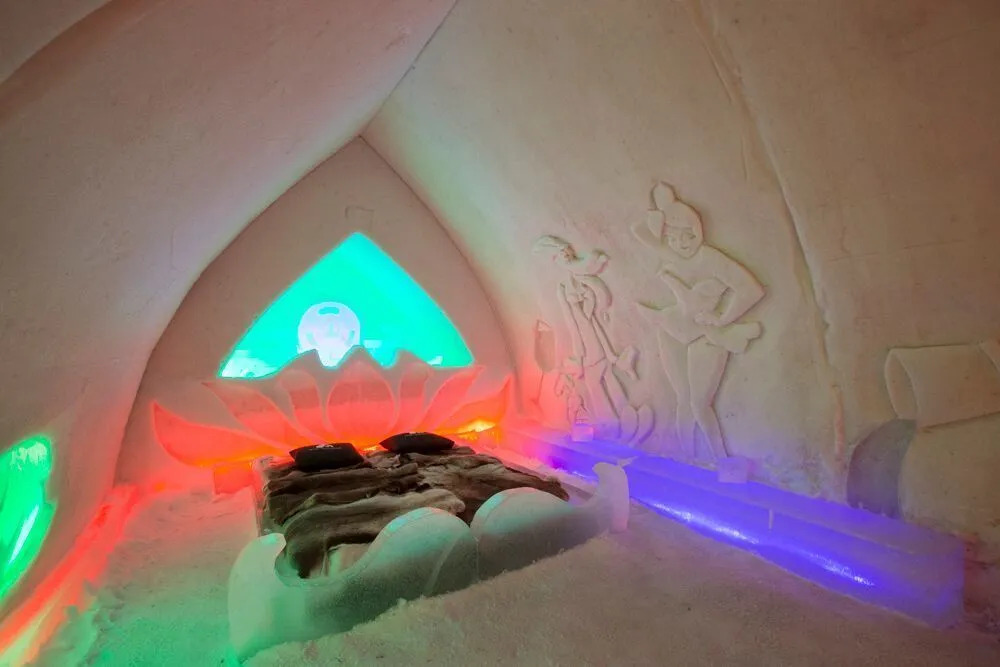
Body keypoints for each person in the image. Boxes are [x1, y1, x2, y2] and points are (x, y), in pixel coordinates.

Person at [632, 183, 765, 460]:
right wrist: (658, 216)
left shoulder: (712, 259)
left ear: (698, 230)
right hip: (673, 329)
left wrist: (722, 318)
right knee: (683, 399)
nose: (681, 243)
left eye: (688, 234)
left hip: (706, 335)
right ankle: (688, 459)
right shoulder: (669, 254)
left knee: (700, 404)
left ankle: (721, 460)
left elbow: (751, 289)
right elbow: (639, 231)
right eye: (672, 237)